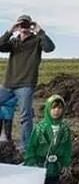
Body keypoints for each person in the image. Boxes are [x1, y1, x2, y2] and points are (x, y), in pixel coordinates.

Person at [0, 15, 55, 153]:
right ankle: (6, 137)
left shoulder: (37, 41)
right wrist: (10, 30)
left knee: (25, 116)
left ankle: (27, 148)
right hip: (8, 83)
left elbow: (50, 48)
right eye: (21, 24)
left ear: (31, 25)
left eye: (26, 24)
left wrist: (40, 31)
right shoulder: (13, 42)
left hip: (25, 84)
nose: (23, 27)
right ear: (18, 26)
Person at [24, 94, 72, 184]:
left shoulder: (64, 129)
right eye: (53, 107)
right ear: (48, 109)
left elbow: (67, 148)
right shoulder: (40, 128)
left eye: (60, 108)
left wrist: (66, 163)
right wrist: (31, 161)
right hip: (40, 166)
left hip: (54, 168)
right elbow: (32, 146)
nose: (56, 111)